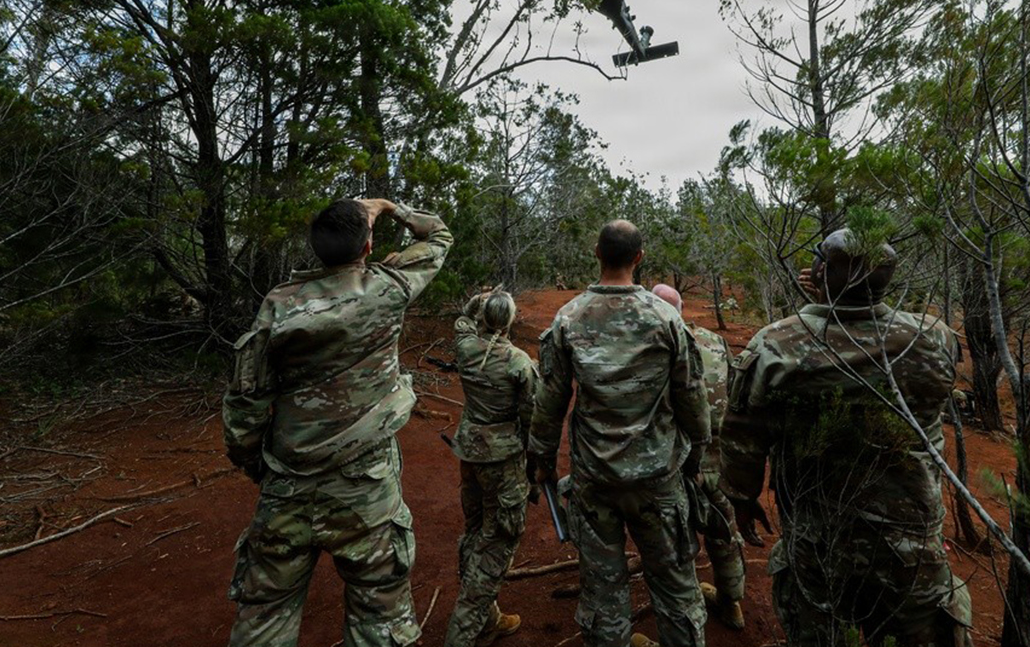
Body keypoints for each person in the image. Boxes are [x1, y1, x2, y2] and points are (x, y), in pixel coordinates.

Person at [719, 229, 974, 647]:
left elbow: (743, 439)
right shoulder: (934, 337)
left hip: (820, 540)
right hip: (909, 541)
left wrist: (742, 499)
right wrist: (835, 291)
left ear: (821, 270)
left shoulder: (778, 344)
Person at [223, 198, 452, 647]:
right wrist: (389, 208)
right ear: (368, 245)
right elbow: (439, 236)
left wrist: (262, 467)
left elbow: (245, 406)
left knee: (264, 618)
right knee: (379, 620)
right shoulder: (388, 288)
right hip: (366, 489)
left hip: (287, 484)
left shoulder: (278, 305)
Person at [529, 220, 711, 647]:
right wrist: (697, 457)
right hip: (658, 479)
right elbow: (692, 400)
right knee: (675, 589)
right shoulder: (666, 317)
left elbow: (550, 401)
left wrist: (540, 459)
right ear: (639, 258)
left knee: (604, 593)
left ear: (596, 252)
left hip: (595, 480)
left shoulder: (569, 317)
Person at [649, 284, 745, 632]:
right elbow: (733, 389)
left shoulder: (652, 349)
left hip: (677, 458)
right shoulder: (713, 341)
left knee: (676, 535)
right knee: (723, 528)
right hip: (719, 456)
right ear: (683, 307)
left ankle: (686, 621)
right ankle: (731, 601)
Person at [444, 289, 538, 647]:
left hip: (470, 453)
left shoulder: (466, 347)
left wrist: (475, 302)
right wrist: (532, 464)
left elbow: (463, 320)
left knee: (475, 529)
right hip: (503, 459)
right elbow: (531, 419)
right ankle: (464, 629)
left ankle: (489, 618)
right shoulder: (517, 361)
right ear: (511, 320)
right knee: (499, 537)